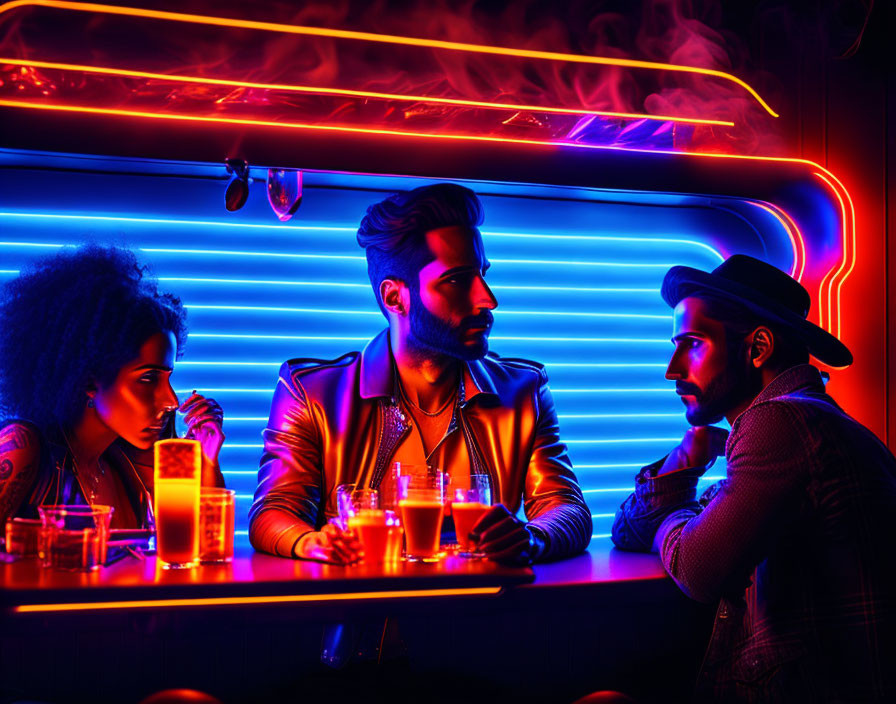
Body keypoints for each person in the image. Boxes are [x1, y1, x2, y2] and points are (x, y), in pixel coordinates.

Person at [249, 183, 591, 564]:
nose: (487, 299)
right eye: (458, 280)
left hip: (487, 617)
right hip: (364, 619)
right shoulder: (311, 393)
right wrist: (309, 542)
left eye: (482, 275)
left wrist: (529, 537)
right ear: (395, 297)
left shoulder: (524, 392)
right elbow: (273, 512)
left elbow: (569, 509)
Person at [612, 255, 896, 702]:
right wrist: (682, 463)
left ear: (758, 347)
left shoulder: (781, 424)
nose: (672, 369)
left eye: (692, 343)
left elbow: (697, 569)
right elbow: (628, 531)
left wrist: (675, 516)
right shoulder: (797, 425)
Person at [0, 245, 225, 529]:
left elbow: (201, 554)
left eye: (168, 378)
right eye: (147, 379)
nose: (172, 401)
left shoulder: (132, 467)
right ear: (89, 380)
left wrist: (207, 461)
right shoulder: (25, 450)